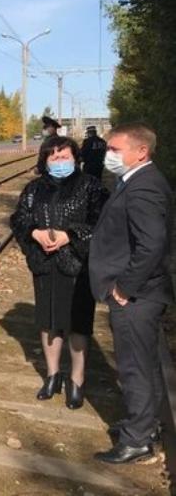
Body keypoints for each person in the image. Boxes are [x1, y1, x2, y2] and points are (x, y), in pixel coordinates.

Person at [89, 123, 173, 464]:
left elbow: (151, 244)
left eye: (115, 149)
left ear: (142, 152)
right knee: (146, 363)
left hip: (137, 296)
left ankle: (137, 440)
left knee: (134, 367)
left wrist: (124, 288)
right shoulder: (139, 181)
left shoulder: (143, 188)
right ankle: (144, 423)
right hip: (143, 293)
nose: (109, 155)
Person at [10, 136, 109, 409]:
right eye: (53, 156)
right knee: (48, 321)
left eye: (64, 156)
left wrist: (70, 236)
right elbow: (19, 218)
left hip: (78, 264)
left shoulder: (90, 186)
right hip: (45, 263)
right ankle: (52, 374)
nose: (59, 161)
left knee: (78, 323)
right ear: (44, 160)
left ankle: (77, 379)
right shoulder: (33, 189)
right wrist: (35, 232)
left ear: (75, 158)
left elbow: (101, 222)